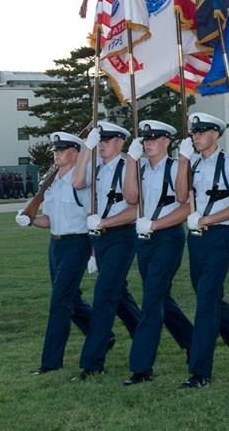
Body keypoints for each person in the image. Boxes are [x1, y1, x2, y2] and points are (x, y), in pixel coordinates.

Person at [175, 113, 229, 389]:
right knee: (210, 298)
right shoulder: (192, 162)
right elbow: (181, 196)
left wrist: (206, 219)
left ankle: (200, 371)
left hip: (220, 237)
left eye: (202, 131)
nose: (195, 136)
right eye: (193, 132)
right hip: (196, 240)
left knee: (206, 301)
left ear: (216, 134)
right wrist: (183, 160)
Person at [15, 129, 97, 376]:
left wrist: (93, 252)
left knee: (59, 302)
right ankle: (100, 332)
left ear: (75, 153)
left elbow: (91, 213)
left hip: (77, 243)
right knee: (69, 298)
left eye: (62, 151)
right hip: (56, 244)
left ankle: (50, 362)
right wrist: (29, 220)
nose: (57, 155)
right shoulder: (51, 184)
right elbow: (49, 219)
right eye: (56, 151)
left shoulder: (81, 180)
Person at [121, 120, 194, 386]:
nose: (148, 143)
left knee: (151, 300)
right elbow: (130, 198)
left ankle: (141, 366)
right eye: (145, 139)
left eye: (153, 138)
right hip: (145, 240)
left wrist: (156, 224)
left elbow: (187, 208)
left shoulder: (177, 168)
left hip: (167, 237)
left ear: (167, 141)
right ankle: (192, 341)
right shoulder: (139, 170)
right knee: (160, 296)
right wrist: (130, 160)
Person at [71, 122, 142, 380]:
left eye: (108, 140)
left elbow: (136, 207)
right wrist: (85, 151)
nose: (102, 144)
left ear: (121, 143)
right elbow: (78, 183)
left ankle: (92, 363)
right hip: (99, 240)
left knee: (103, 297)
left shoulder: (129, 168)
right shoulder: (96, 168)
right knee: (118, 295)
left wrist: (104, 223)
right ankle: (144, 335)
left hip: (121, 236)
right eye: (100, 140)